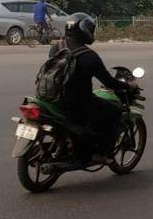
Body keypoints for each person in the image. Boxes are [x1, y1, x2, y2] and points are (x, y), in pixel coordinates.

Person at [58, 13, 136, 163]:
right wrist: (128, 85)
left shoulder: (58, 48)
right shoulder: (88, 56)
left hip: (56, 98)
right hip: (79, 103)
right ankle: (102, 153)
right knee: (115, 111)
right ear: (82, 30)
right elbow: (109, 82)